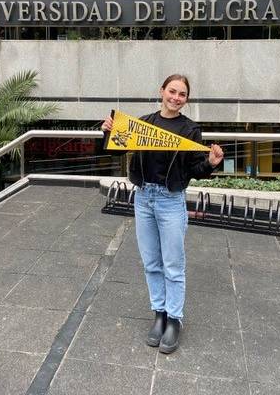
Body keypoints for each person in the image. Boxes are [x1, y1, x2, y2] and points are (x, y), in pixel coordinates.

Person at [101, 74, 223, 354]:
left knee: (173, 266)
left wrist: (211, 163)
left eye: (182, 94)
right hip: (143, 198)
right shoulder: (143, 123)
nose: (176, 97)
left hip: (170, 201)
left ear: (186, 99)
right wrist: (108, 132)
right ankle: (159, 314)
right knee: (151, 263)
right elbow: (113, 151)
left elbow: (195, 169)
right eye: (172, 91)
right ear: (162, 91)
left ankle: (174, 319)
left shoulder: (191, 130)